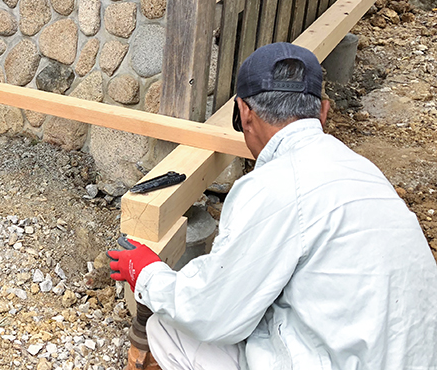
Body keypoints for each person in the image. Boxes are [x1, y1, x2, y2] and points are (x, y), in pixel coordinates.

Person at [108, 42, 437, 370]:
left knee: (169, 329)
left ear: (245, 113)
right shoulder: (362, 170)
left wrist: (148, 273)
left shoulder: (274, 187)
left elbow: (212, 312)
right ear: (323, 111)